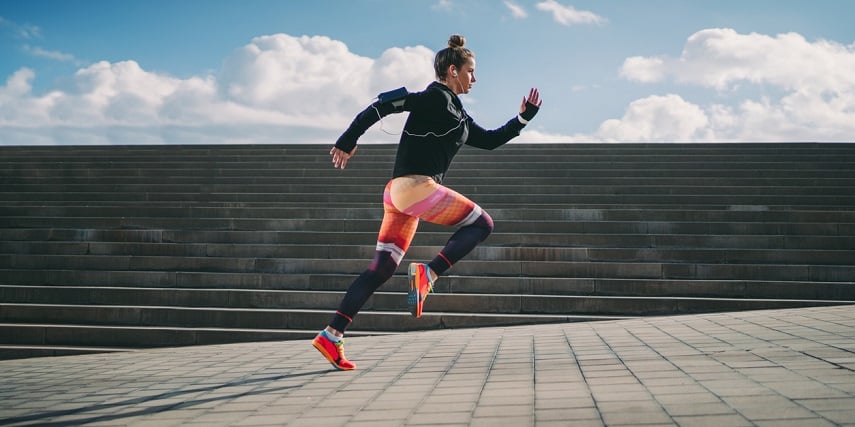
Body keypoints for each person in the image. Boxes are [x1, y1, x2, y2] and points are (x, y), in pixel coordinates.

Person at [312, 34, 542, 370]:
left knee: (382, 268)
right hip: (414, 187)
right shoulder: (432, 98)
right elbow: (379, 107)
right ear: (453, 70)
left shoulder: (459, 114)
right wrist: (348, 139)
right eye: (471, 71)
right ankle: (428, 274)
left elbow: (491, 141)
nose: (474, 79)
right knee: (482, 224)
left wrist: (523, 119)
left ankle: (332, 335)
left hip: (399, 196)